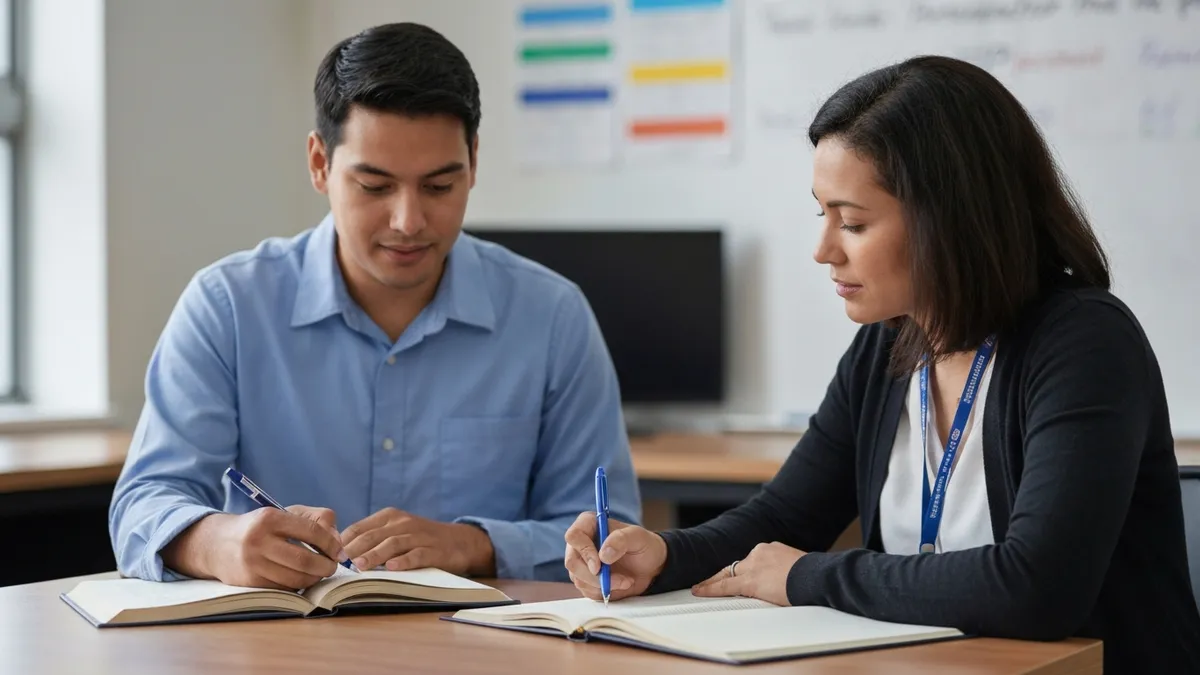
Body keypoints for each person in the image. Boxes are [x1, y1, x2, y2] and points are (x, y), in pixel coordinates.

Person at [563, 55, 1200, 674]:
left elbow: (1035, 586)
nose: (823, 250)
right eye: (823, 213)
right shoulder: (890, 343)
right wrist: (665, 555)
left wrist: (807, 575)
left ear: (951, 221)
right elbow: (783, 519)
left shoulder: (1084, 343)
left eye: (854, 222)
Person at [109, 21, 640, 591]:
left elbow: (611, 539)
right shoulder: (228, 307)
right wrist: (217, 542)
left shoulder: (552, 317)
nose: (408, 221)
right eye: (374, 186)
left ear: (474, 163)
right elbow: (143, 504)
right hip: (275, 650)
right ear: (320, 164)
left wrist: (472, 545)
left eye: (438, 187)